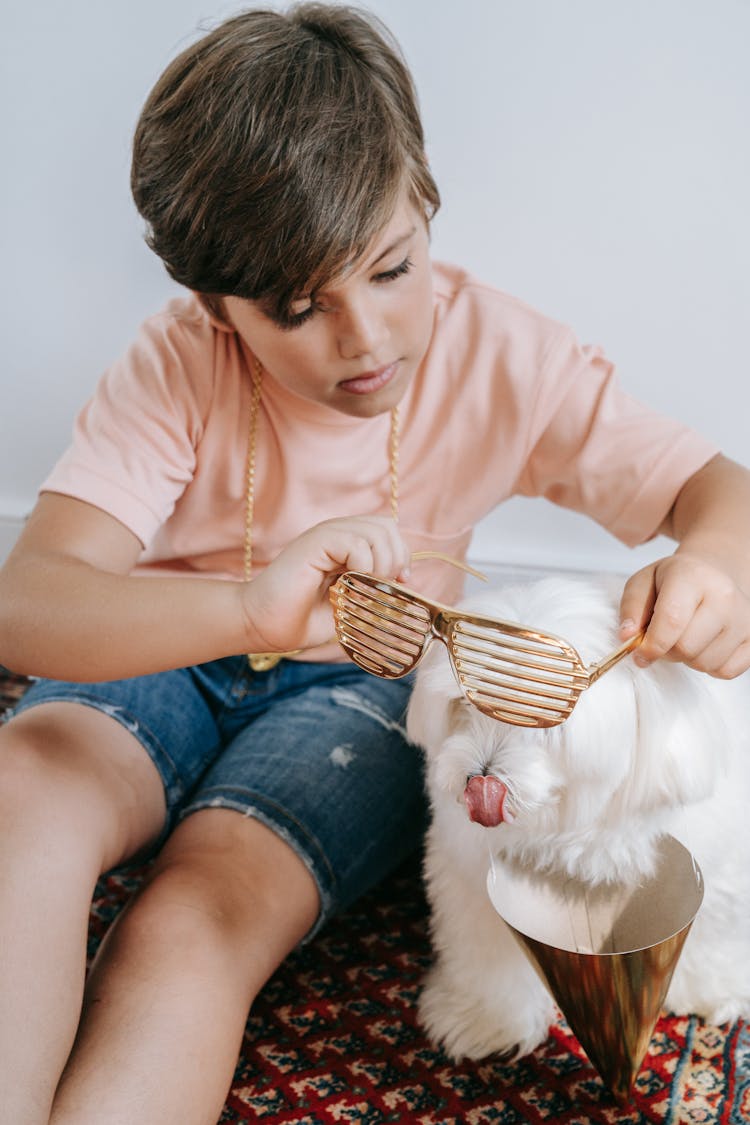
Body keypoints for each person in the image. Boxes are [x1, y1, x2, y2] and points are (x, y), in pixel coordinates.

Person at [0, 4, 749, 1122]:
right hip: (173, 633)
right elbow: (30, 606)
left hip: (361, 691)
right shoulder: (177, 363)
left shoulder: (507, 356)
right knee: (24, 798)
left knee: (196, 918)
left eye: (392, 269)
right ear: (214, 306)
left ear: (426, 199)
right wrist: (247, 608)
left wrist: (717, 567)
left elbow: (716, 491)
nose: (364, 340)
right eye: (297, 308)